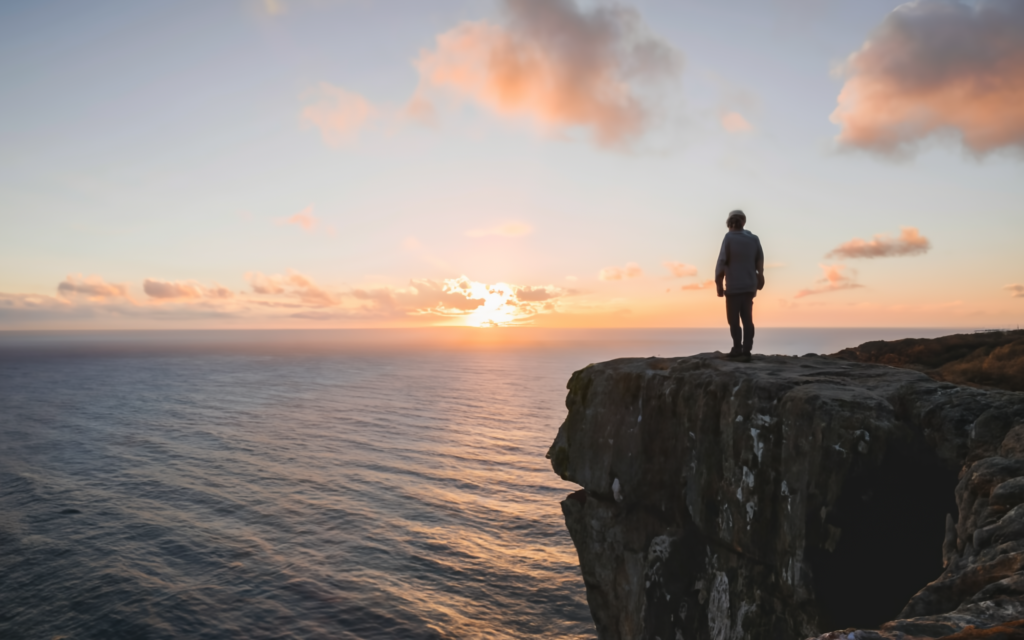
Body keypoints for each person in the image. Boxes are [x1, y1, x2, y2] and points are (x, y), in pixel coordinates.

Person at [715, 210, 764, 362]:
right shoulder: (754, 238)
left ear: (729, 223)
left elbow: (722, 262)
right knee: (748, 319)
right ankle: (747, 350)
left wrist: (718, 283)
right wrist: (760, 276)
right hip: (750, 286)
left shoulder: (729, 237)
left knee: (734, 321)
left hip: (734, 287)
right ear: (744, 221)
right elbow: (759, 261)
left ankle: (737, 349)